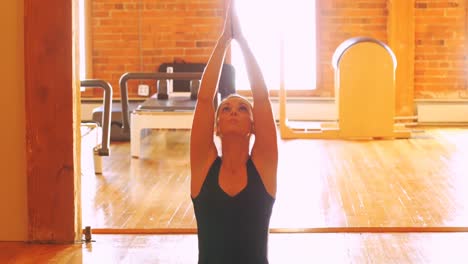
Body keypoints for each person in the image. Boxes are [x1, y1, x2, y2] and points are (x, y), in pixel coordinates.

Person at [190, 1, 278, 263]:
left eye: (241, 108)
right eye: (226, 109)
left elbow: (261, 99)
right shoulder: (203, 167)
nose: (233, 111)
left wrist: (242, 41)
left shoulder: (263, 167)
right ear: (216, 126)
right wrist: (223, 42)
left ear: (253, 126)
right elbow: (205, 100)